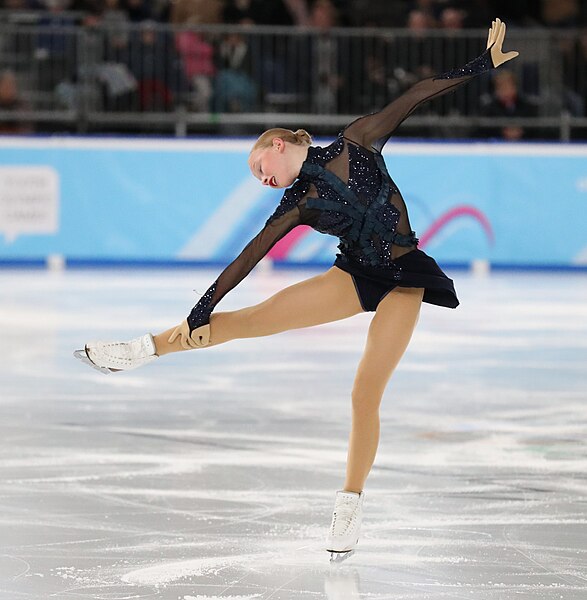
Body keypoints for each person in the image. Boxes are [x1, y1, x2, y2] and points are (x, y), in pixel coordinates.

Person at [75, 19, 518, 561]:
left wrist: (482, 65)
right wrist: (201, 309)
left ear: (280, 144)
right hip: (353, 277)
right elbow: (250, 254)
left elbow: (416, 95)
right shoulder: (296, 203)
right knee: (249, 320)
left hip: (405, 278)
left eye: (261, 166)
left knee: (364, 392)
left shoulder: (358, 141)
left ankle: (349, 506)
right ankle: (143, 349)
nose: (262, 178)